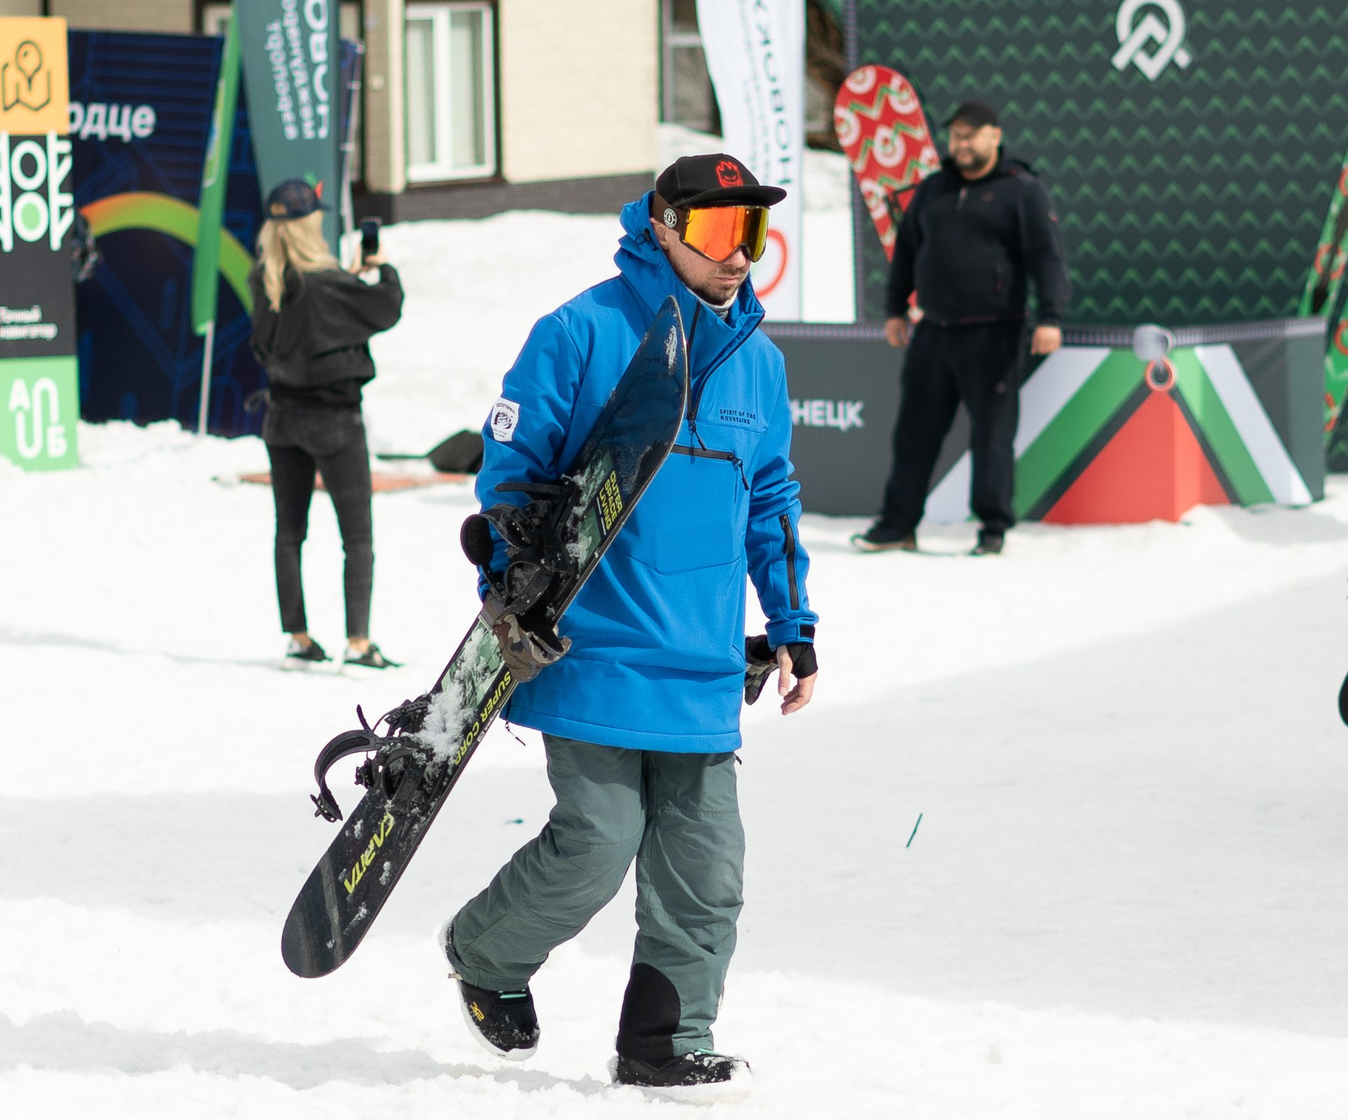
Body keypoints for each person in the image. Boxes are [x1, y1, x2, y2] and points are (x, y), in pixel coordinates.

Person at [444, 153, 815, 1097]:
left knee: (706, 868)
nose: (741, 258)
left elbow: (770, 500)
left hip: (700, 663)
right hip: (596, 647)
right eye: (722, 233)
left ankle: (665, 1040)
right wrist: (509, 560)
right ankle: (485, 952)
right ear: (662, 225)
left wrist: (792, 620)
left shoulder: (758, 363)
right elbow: (511, 474)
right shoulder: (583, 332)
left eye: (755, 236)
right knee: (599, 841)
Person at [853, 99, 1068, 557]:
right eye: (956, 135)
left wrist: (1050, 317)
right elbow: (907, 253)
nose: (962, 144)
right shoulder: (933, 189)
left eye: (971, 135)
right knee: (914, 433)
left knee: (992, 435)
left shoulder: (1022, 190)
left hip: (995, 333)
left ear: (995, 135)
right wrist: (895, 308)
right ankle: (897, 525)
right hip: (933, 332)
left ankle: (992, 528)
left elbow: (1045, 257)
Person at [246, 179, 403, 668]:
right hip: (334, 420)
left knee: (288, 531)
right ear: (311, 222)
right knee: (356, 536)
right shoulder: (327, 281)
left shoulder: (265, 277)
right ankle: (358, 643)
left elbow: (267, 343)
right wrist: (382, 271)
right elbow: (385, 308)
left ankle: (297, 636)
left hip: (281, 419)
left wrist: (350, 280)